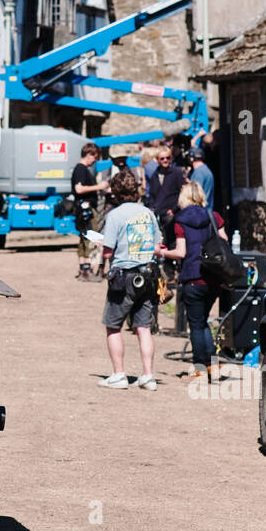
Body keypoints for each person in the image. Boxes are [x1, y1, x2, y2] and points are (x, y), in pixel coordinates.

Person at [98, 167, 161, 391]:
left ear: (115, 192)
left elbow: (107, 252)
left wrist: (102, 246)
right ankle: (148, 375)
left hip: (124, 275)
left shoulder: (115, 215)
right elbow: (157, 245)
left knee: (113, 326)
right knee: (143, 327)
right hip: (148, 273)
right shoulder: (148, 213)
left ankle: (119, 374)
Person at [155, 181, 227, 378]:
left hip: (192, 278)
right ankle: (213, 363)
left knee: (196, 324)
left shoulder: (180, 220)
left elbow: (181, 252)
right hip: (213, 277)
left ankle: (200, 366)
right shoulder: (214, 216)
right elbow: (225, 241)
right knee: (203, 321)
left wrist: (162, 253)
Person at [144, 144, 186, 277]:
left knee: (173, 242)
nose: (165, 160)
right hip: (159, 214)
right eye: (162, 158)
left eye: (168, 158)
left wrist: (174, 209)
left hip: (172, 214)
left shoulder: (177, 173)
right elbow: (152, 194)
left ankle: (175, 271)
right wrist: (152, 207)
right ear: (157, 159)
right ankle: (167, 273)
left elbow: (183, 192)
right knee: (161, 242)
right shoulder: (155, 174)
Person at [71, 142, 109, 281]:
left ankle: (84, 269)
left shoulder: (81, 169)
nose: (95, 160)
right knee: (91, 237)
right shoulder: (81, 169)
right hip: (85, 209)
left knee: (84, 238)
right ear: (89, 155)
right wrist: (99, 186)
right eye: (94, 157)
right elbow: (79, 189)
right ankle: (87, 270)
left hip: (82, 208)